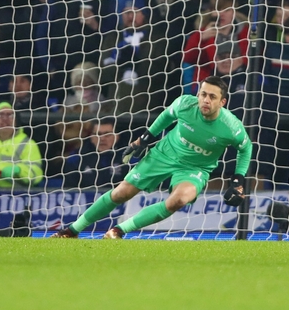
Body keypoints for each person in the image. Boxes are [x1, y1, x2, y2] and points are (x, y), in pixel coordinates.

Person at [51, 76, 250, 239]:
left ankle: (119, 231)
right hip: (164, 154)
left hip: (195, 168)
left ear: (222, 102)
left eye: (212, 97)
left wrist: (238, 179)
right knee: (122, 193)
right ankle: (72, 230)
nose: (206, 100)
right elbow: (165, 117)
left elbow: (246, 149)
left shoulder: (231, 127)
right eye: (203, 94)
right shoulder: (184, 104)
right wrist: (144, 140)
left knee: (179, 200)